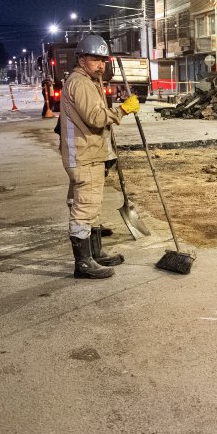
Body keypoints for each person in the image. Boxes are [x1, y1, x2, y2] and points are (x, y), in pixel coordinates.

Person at [59, 33, 139, 279]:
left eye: (103, 60)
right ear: (81, 59)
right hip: (84, 155)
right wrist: (123, 110)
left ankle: (95, 254)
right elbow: (95, 118)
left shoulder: (90, 81)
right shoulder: (81, 83)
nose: (100, 64)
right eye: (95, 59)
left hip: (90, 153)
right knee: (85, 208)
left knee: (91, 206)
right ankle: (83, 263)